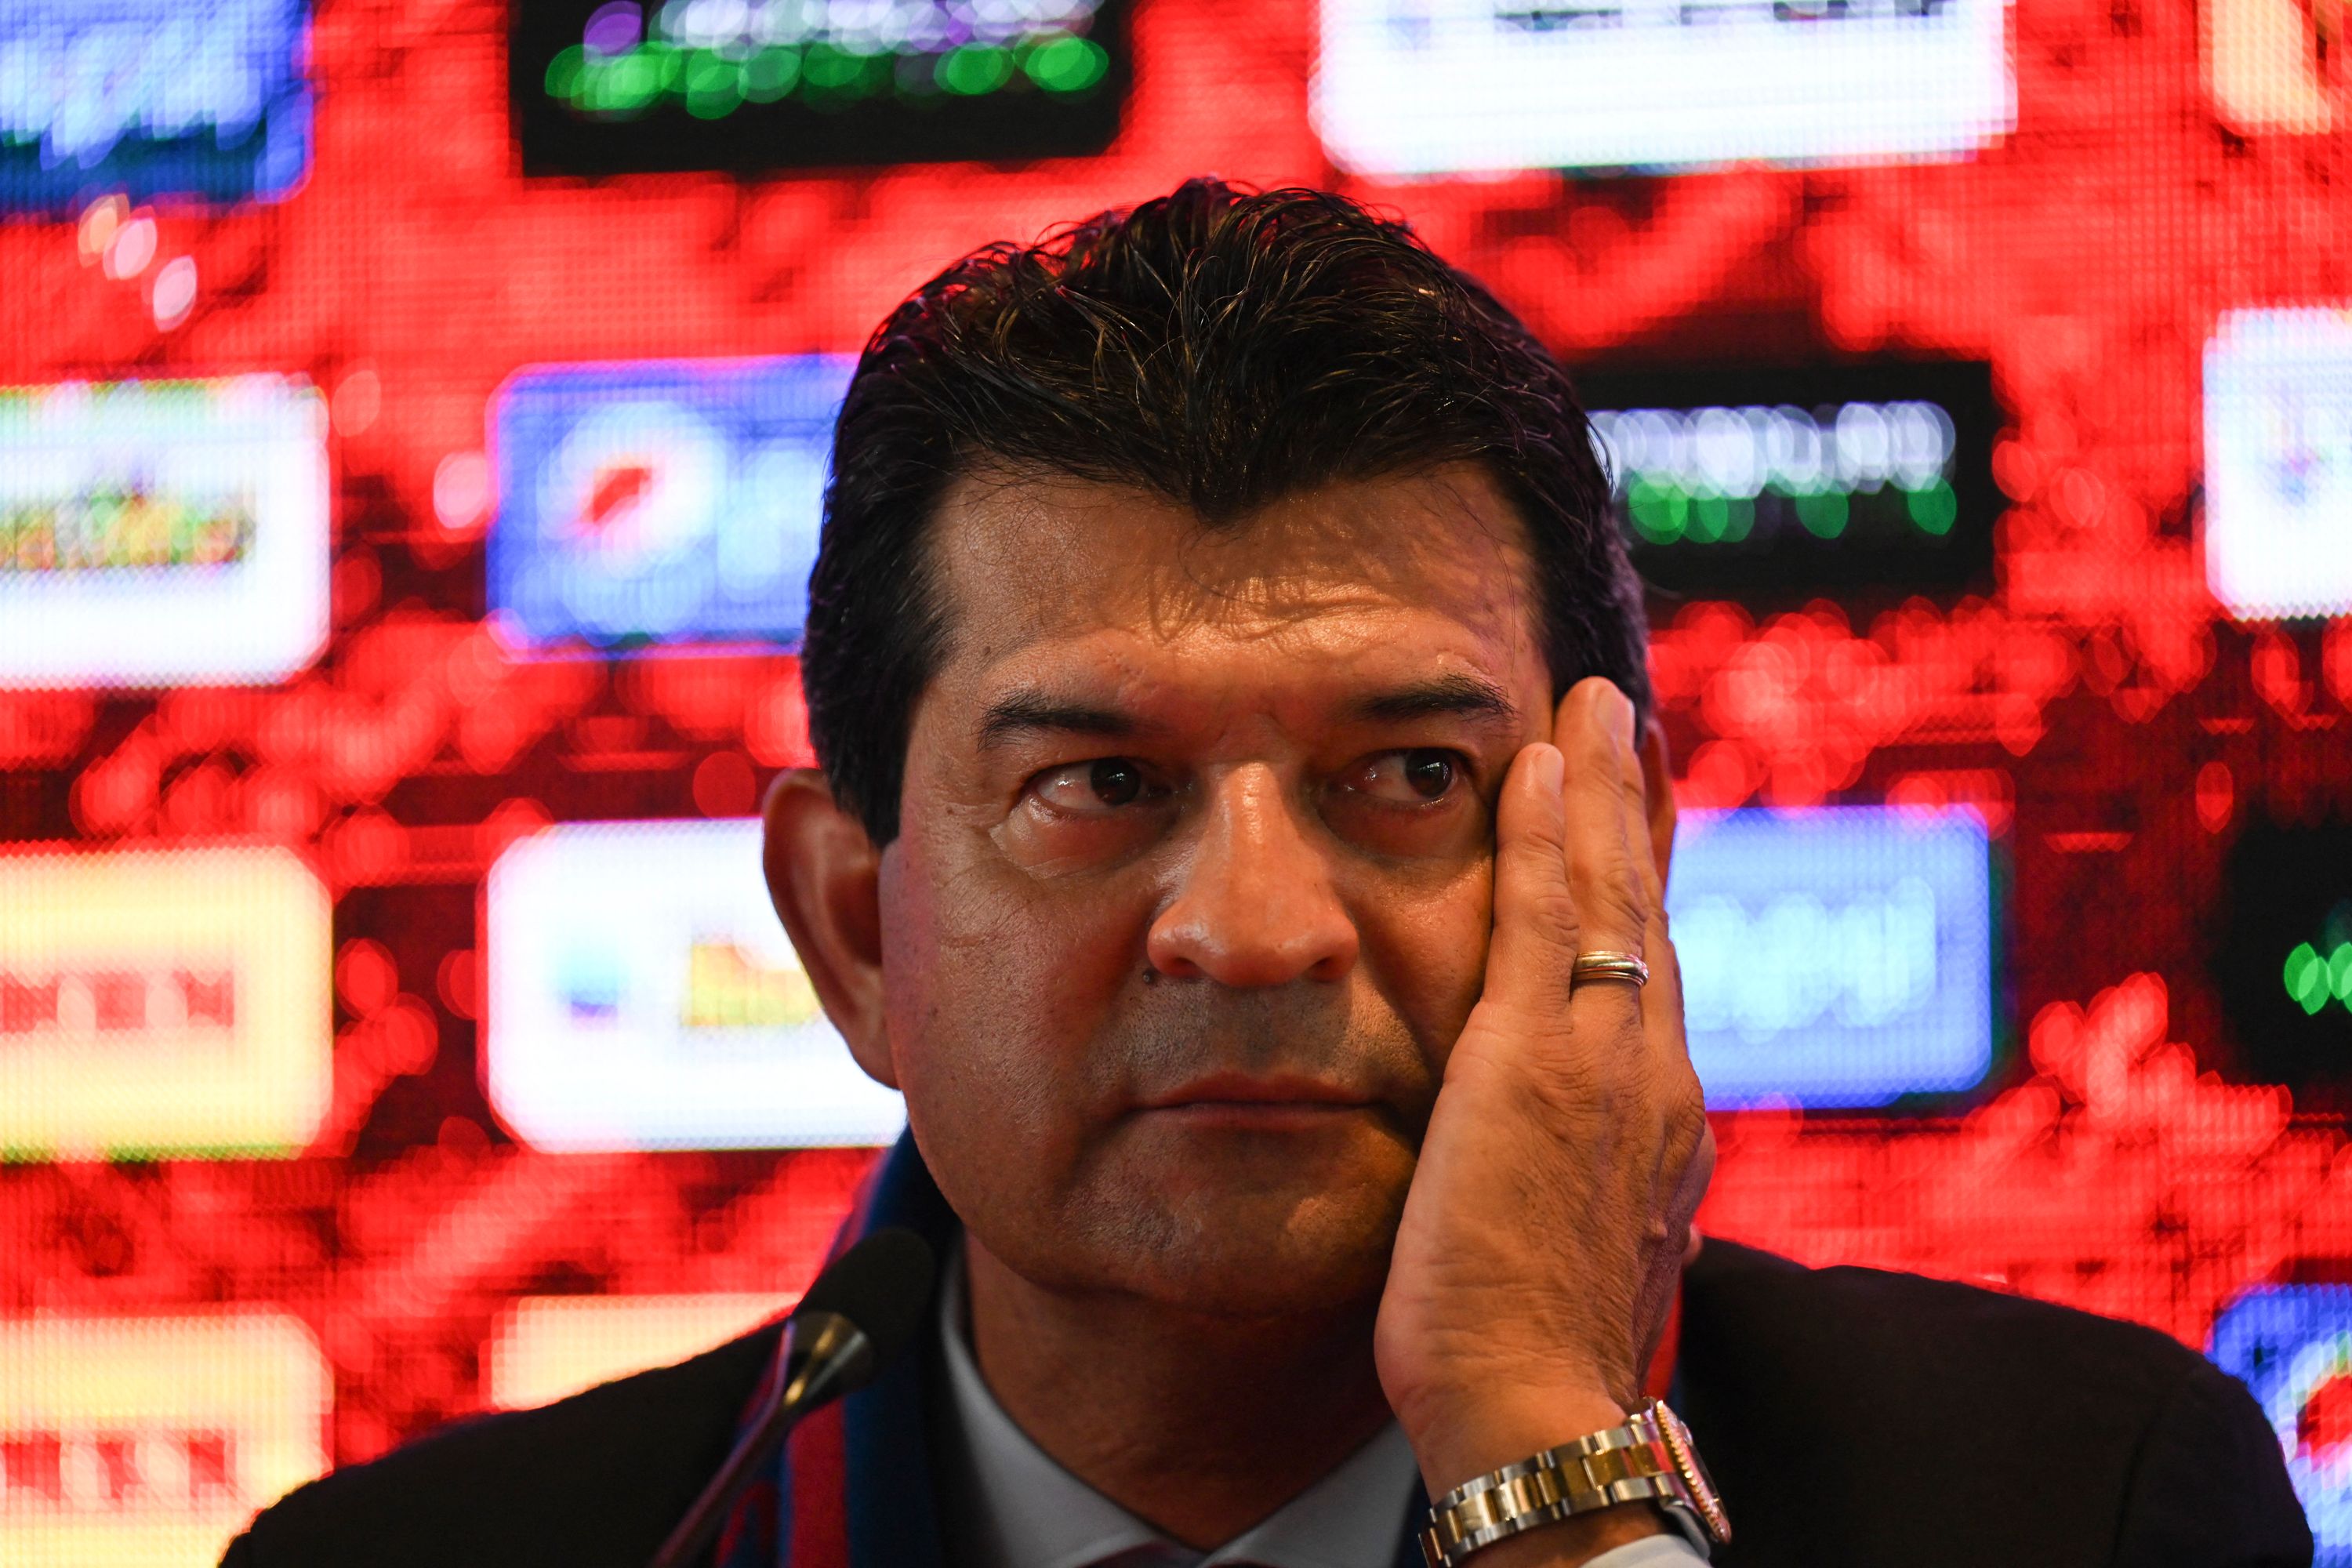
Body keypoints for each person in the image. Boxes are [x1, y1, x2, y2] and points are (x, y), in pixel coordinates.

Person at [223, 180, 2312, 1568]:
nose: (1254, 927)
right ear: (855, 929)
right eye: (1098, 784)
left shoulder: (2078, 1503)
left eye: (1408, 772)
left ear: (1624, 875)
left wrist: (1545, 1464)